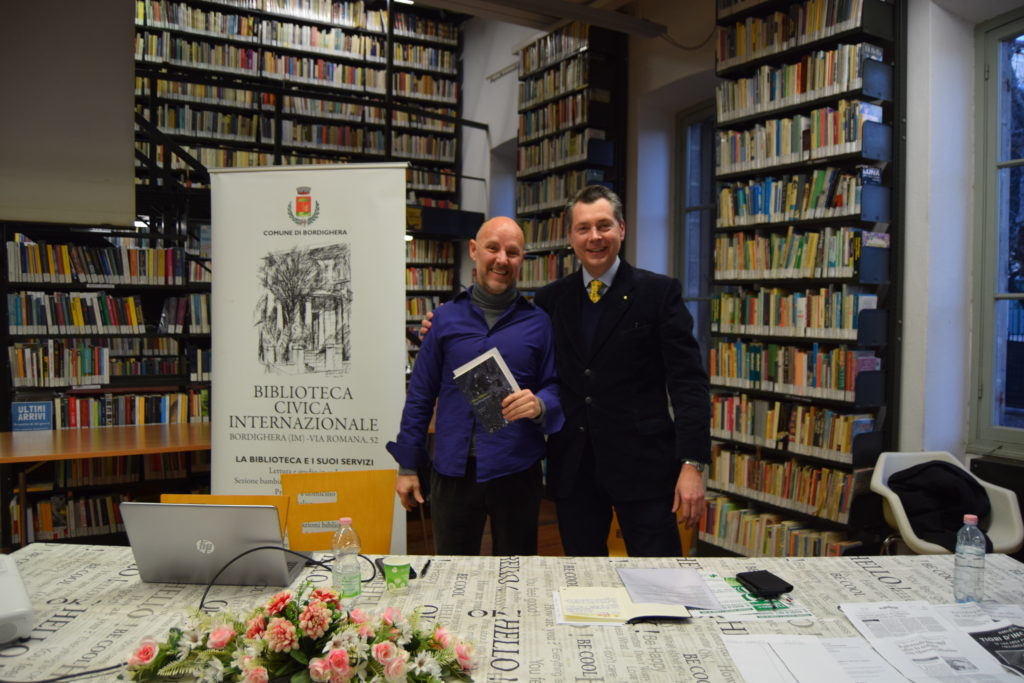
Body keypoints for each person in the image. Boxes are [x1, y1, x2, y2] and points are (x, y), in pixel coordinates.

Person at [533, 185, 710, 557]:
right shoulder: (550, 299)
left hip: (644, 469)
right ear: (570, 237)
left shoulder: (658, 293)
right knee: (583, 580)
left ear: (622, 229)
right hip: (574, 470)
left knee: (660, 579)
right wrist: (443, 326)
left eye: (604, 225)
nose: (594, 237)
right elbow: (521, 351)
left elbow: (688, 382)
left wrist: (692, 463)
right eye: (583, 228)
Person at [386, 216, 563, 555]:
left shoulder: (539, 323)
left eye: (512, 252)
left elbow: (554, 385)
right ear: (473, 250)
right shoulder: (443, 320)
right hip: (453, 471)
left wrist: (540, 404)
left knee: (515, 571)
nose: (501, 260)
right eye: (492, 248)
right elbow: (420, 395)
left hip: (516, 469)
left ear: (522, 258)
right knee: (452, 571)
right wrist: (407, 466)